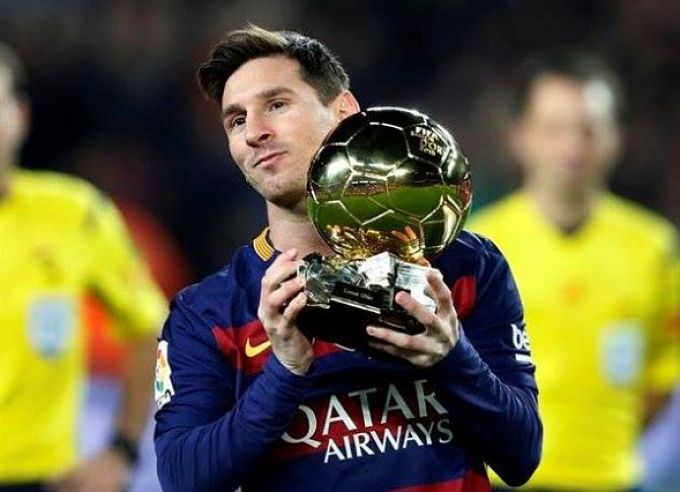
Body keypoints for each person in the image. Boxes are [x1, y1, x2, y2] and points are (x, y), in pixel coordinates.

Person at [154, 25, 542, 491]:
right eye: (236, 121)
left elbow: (522, 456)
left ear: (343, 111)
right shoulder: (209, 312)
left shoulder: (461, 267)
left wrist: (450, 358)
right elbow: (182, 478)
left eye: (276, 105)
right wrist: (286, 371)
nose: (254, 132)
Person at [470, 53, 679, 490]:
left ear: (617, 137)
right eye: (554, 129)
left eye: (588, 130)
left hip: (611, 478)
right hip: (503, 480)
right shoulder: (480, 246)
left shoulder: (654, 247)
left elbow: (663, 372)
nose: (572, 147)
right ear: (520, 136)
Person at [0, 43, 167, 491]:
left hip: (42, 478)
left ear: (20, 116)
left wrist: (122, 450)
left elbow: (152, 330)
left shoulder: (76, 215)